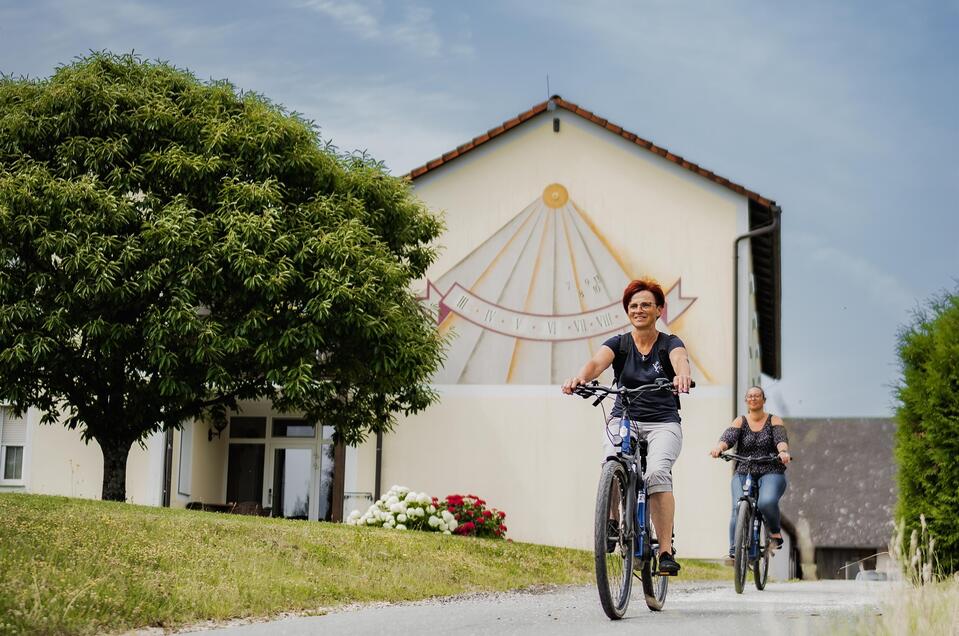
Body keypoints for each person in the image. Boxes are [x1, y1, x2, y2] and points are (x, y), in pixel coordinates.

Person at [562, 278, 692, 575]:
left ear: (659, 310)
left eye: (646, 304)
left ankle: (665, 551)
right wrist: (580, 378)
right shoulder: (619, 344)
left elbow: (680, 360)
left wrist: (682, 375)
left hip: (663, 422)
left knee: (658, 472)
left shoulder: (669, 343)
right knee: (613, 459)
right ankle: (611, 522)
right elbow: (597, 363)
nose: (639, 309)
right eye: (633, 306)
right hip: (624, 417)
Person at [709, 386, 791, 561]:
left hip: (771, 469)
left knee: (766, 502)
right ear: (746, 400)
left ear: (763, 399)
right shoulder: (741, 421)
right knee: (738, 507)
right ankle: (734, 550)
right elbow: (728, 438)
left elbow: (780, 440)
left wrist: (783, 452)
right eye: (750, 396)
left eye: (757, 396)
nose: (753, 398)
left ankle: (774, 532)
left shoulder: (774, 420)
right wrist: (719, 447)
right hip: (744, 470)